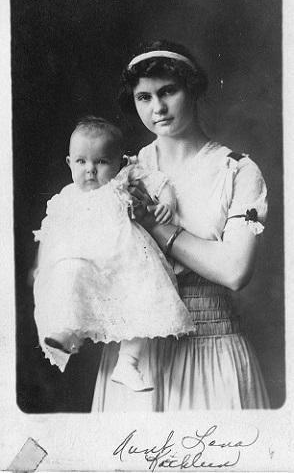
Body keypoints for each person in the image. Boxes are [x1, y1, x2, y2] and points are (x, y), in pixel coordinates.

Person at [92, 40, 270, 410]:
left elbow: (235, 271)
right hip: (138, 358)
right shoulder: (125, 170)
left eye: (168, 91)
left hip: (212, 349)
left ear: (193, 88)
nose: (157, 108)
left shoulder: (236, 170)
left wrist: (159, 228)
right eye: (144, 97)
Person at [33, 116, 194, 392]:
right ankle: (67, 335)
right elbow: (50, 233)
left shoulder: (123, 178)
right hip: (85, 263)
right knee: (67, 277)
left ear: (119, 162)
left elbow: (159, 181)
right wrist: (43, 264)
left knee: (144, 301)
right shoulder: (67, 197)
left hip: (125, 260)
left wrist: (166, 201)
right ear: (70, 163)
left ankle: (127, 363)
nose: (91, 170)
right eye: (82, 162)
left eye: (101, 162)